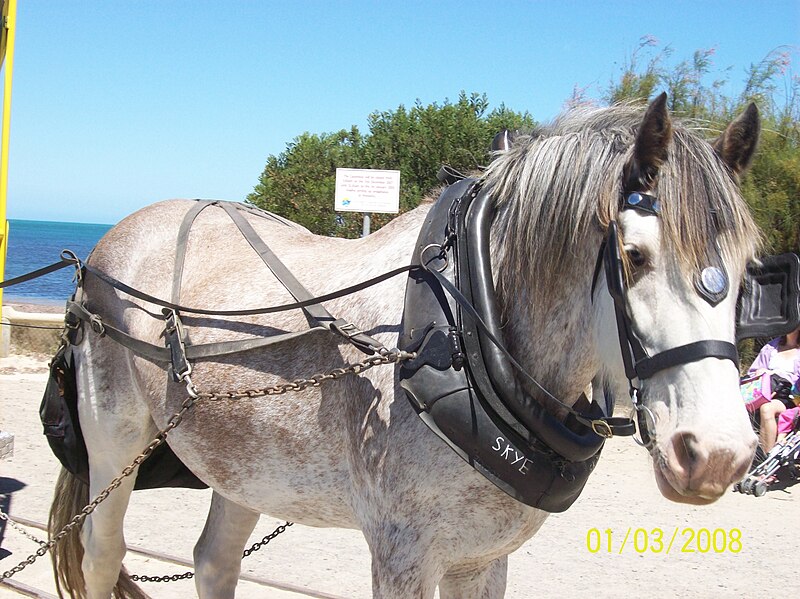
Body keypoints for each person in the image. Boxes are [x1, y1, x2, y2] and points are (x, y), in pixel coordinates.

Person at [747, 326, 800, 452]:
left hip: (791, 396)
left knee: (767, 409)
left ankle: (767, 456)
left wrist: (776, 375)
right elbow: (753, 372)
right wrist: (763, 373)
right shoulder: (771, 347)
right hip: (765, 391)